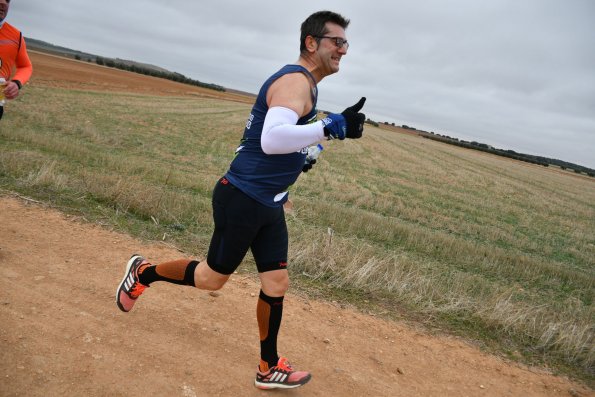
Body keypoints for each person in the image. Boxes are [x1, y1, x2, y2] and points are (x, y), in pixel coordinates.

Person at [116, 10, 366, 390]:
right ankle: (142, 272)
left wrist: (314, 146)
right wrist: (325, 128)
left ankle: (268, 367)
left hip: (268, 202)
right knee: (211, 279)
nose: (344, 50)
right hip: (243, 198)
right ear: (311, 43)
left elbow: (280, 142)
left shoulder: (306, 86)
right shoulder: (294, 82)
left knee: (276, 282)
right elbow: (272, 139)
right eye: (337, 42)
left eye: (346, 43)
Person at [0, 0, 33, 120]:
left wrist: (16, 83)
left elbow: (26, 66)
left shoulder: (16, 36)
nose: (3, 2)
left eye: (7, 0)